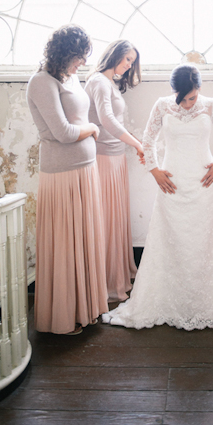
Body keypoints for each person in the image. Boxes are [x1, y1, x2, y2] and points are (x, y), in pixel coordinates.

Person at [101, 64, 213, 330]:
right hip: (172, 184)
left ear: (199, 89)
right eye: (183, 98)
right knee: (171, 240)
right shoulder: (162, 105)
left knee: (205, 240)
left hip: (205, 183)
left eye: (193, 97)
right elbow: (147, 140)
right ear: (174, 92)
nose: (189, 104)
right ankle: (168, 300)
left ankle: (210, 302)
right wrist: (154, 170)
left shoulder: (210, 105)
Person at [26, 24, 108, 335]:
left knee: (83, 240)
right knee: (65, 245)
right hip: (61, 174)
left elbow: (78, 119)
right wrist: (92, 130)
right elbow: (63, 132)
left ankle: (85, 307)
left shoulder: (69, 78)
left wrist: (87, 130)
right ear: (63, 54)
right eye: (79, 56)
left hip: (84, 169)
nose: (83, 63)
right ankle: (63, 316)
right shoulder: (41, 82)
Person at [85, 40, 143, 302]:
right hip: (104, 159)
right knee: (106, 221)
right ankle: (106, 283)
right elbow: (106, 120)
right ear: (114, 55)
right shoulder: (97, 81)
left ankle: (118, 274)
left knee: (117, 219)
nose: (128, 65)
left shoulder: (110, 84)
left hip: (117, 158)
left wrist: (131, 140)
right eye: (126, 59)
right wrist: (137, 143)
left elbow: (116, 122)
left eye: (132, 61)